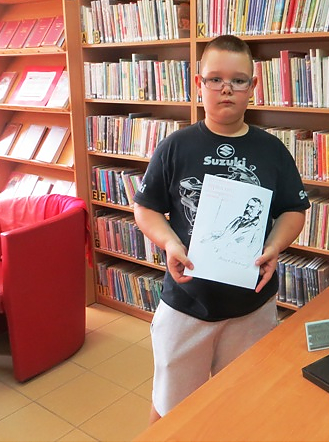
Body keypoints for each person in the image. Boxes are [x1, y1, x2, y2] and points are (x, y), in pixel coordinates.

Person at [133, 35, 310, 423]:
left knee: (241, 406)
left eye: (238, 80)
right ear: (199, 84)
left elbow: (294, 210)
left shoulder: (272, 151)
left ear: (253, 86)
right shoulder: (175, 147)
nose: (226, 88)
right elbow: (145, 208)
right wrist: (169, 243)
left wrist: (275, 245)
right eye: (215, 79)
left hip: (251, 306)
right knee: (170, 407)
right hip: (186, 303)